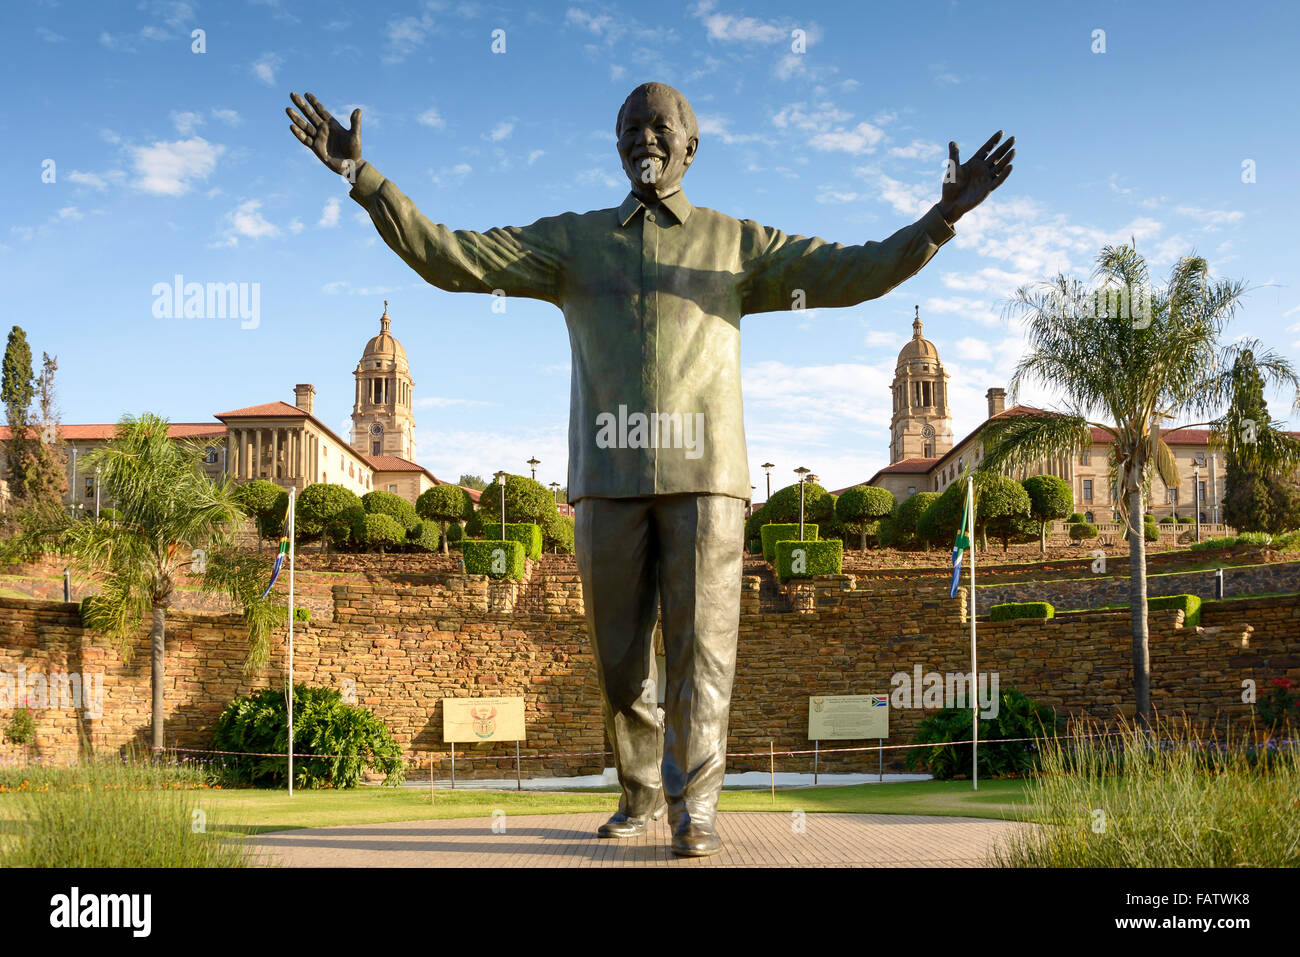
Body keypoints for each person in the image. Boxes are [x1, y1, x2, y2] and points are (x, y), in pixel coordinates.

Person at [286, 82, 1013, 856]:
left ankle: (694, 807)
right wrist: (365, 180)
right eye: (631, 127)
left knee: (705, 652)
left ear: (691, 147)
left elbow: (855, 270)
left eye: (661, 127)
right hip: (605, 476)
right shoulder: (575, 241)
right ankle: (637, 796)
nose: (646, 139)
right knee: (618, 655)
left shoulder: (735, 243)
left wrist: (942, 218)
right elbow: (451, 256)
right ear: (618, 143)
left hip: (708, 477)